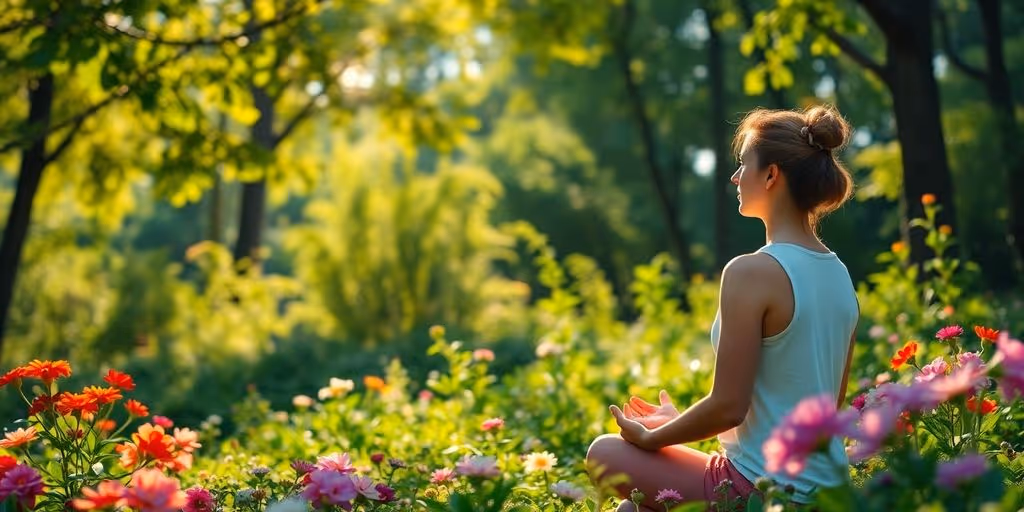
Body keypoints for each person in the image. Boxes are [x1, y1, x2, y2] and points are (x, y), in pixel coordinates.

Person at [586, 105, 860, 510]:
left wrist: (652, 438)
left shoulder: (752, 271)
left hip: (766, 492)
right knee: (634, 509)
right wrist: (678, 423)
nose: (734, 177)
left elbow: (729, 407)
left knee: (604, 453)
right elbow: (817, 408)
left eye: (743, 163)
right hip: (827, 493)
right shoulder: (840, 277)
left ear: (771, 175)